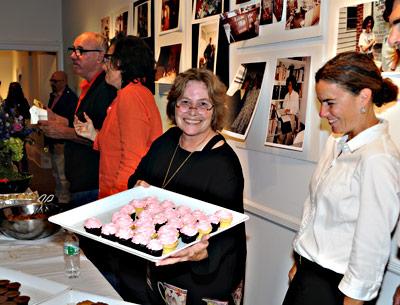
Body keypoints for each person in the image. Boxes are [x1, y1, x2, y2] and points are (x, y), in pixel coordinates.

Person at [282, 51, 400, 305]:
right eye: (321, 103)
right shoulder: (337, 142)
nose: (323, 113)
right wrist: (300, 260)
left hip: (338, 290)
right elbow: (314, 208)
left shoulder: (378, 159)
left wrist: (352, 301)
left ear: (364, 97)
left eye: (330, 102)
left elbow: (372, 246)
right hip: (308, 274)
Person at [127, 68, 247, 305]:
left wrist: (204, 251)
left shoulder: (224, 164)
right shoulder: (166, 141)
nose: (193, 111)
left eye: (203, 104)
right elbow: (136, 179)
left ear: (215, 111)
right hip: (163, 265)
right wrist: (138, 186)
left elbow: (230, 233)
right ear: (174, 106)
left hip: (204, 278)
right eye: (185, 102)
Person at [74, 35, 162, 199]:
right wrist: (93, 134)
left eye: (108, 59)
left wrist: (116, 201)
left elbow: (133, 159)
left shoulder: (131, 95)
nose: (104, 66)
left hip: (121, 198)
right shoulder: (127, 94)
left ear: (121, 63)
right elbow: (118, 145)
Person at [39, 32, 116, 207]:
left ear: (100, 56)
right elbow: (84, 125)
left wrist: (64, 133)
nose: (73, 55)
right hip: (81, 183)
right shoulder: (89, 86)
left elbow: (105, 138)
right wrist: (58, 119)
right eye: (73, 50)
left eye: (80, 51)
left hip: (93, 183)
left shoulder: (107, 89)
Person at [46, 71, 78, 204]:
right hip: (54, 141)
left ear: (64, 81)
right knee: (56, 173)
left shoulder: (70, 98)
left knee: (63, 175)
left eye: (56, 81)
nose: (53, 84)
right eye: (51, 81)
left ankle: (64, 202)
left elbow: (71, 122)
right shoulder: (53, 96)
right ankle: (58, 197)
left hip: (63, 142)